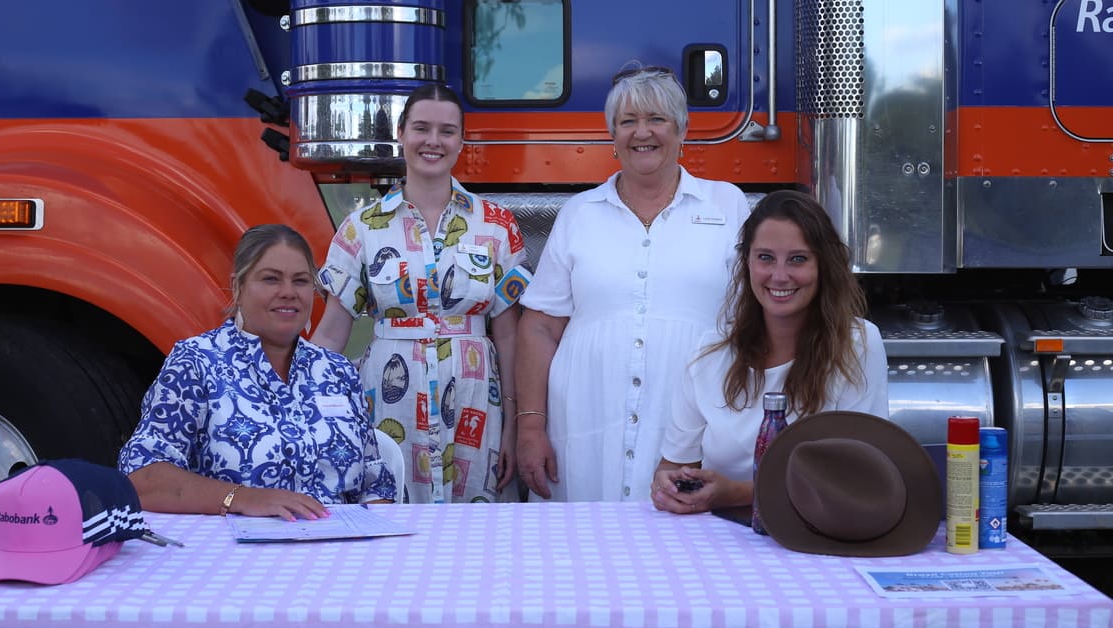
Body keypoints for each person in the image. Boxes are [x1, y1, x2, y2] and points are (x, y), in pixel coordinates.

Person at [516, 64, 751, 502]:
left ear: (682, 128)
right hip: (586, 421)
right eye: (628, 122)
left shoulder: (727, 204)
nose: (643, 133)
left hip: (690, 420)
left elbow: (752, 321)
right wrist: (530, 425)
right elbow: (540, 326)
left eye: (657, 119)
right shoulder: (579, 213)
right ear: (613, 134)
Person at [313, 83, 530, 504]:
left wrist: (515, 425)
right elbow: (330, 338)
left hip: (475, 405)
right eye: (421, 128)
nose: (433, 141)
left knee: (476, 537)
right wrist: (317, 418)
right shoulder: (361, 228)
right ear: (401, 133)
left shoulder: (497, 225)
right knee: (391, 526)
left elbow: (509, 335)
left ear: (462, 140)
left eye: (447, 131)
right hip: (389, 403)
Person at [119, 224, 396, 519]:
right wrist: (243, 498)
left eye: (300, 281)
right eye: (271, 279)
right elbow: (143, 477)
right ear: (238, 287)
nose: (288, 292)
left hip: (339, 551)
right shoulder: (196, 362)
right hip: (235, 554)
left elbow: (376, 484)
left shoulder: (337, 371)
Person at [651, 190, 889, 514]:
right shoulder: (708, 352)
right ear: (746, 262)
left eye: (797, 259)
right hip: (716, 539)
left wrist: (736, 493)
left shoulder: (857, 343)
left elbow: (856, 476)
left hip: (815, 538)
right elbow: (673, 466)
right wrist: (669, 487)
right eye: (765, 257)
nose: (779, 276)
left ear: (824, 266)